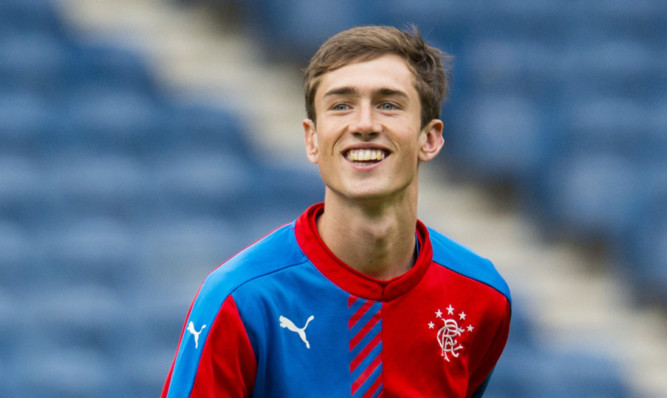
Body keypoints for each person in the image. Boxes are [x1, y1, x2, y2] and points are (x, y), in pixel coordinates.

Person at [161, 25, 511, 398]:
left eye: (388, 104)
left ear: (430, 138)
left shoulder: (481, 297)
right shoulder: (239, 300)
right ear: (312, 139)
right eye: (341, 105)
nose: (363, 125)